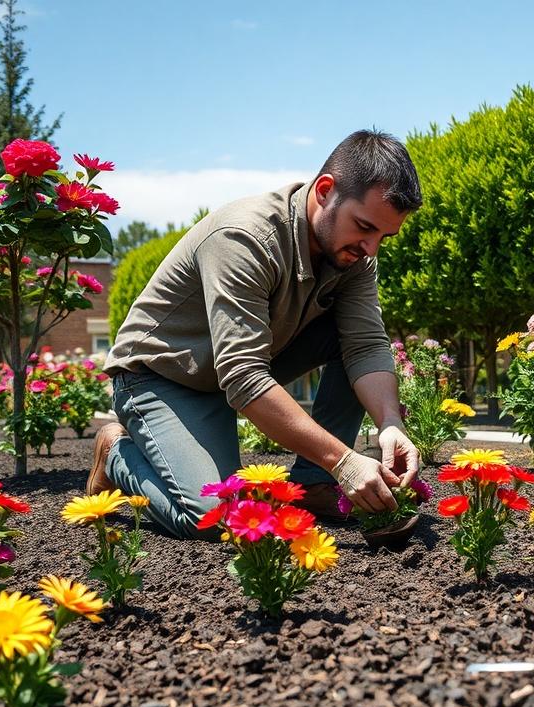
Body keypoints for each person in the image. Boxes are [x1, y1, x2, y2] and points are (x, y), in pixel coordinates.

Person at [90, 129, 422, 539]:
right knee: (212, 517)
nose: (371, 249)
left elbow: (366, 344)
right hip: (161, 377)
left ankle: (314, 484)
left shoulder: (353, 256)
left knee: (346, 338)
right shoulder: (244, 239)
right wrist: (344, 460)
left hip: (233, 369)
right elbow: (244, 376)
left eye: (384, 238)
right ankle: (116, 455)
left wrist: (390, 422)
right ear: (324, 191)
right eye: (364, 227)